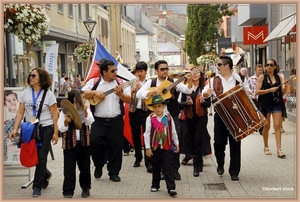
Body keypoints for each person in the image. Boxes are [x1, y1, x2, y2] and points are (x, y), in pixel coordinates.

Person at [136, 60, 193, 180]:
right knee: (159, 144)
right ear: (156, 71)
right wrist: (153, 91)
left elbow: (187, 90)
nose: (165, 71)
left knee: (175, 142)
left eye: (167, 68)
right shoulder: (151, 82)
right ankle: (162, 170)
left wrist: (189, 80)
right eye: (162, 69)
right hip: (157, 119)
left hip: (172, 117)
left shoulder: (173, 82)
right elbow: (138, 94)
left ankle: (175, 170)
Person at [9, 67, 59, 197]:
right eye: (30, 75)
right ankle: (46, 174)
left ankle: (37, 186)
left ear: (41, 78)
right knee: (35, 156)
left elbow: (55, 115)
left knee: (42, 157)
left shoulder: (48, 95)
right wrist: (15, 129)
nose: (31, 78)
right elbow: (20, 112)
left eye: (33, 76)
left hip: (46, 128)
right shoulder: (25, 93)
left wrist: (55, 132)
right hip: (31, 128)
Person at [82, 59, 131, 182]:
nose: (115, 72)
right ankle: (98, 165)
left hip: (116, 120)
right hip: (98, 120)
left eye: (116, 70)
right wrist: (94, 92)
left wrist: (120, 94)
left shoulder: (121, 82)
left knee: (116, 146)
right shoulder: (94, 82)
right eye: (112, 70)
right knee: (95, 143)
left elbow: (129, 99)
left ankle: (114, 172)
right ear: (104, 72)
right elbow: (82, 93)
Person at [202, 56, 250, 181]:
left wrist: (246, 92)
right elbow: (205, 92)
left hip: (235, 116)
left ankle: (234, 172)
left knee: (235, 143)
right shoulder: (213, 80)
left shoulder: (239, 79)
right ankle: (220, 164)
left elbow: (248, 92)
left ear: (226, 66)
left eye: (219, 64)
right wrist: (206, 94)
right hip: (220, 115)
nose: (217, 67)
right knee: (218, 143)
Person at [58, 89, 94, 198]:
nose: (84, 99)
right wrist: (66, 122)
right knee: (69, 168)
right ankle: (68, 191)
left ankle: (85, 188)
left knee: (85, 167)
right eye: (82, 97)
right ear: (74, 99)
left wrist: (86, 112)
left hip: (84, 143)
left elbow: (90, 122)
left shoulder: (85, 109)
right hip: (70, 144)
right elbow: (61, 128)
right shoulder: (64, 112)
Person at [143, 94, 179, 197]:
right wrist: (148, 148)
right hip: (155, 148)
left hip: (167, 147)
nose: (157, 109)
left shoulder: (168, 118)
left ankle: (171, 188)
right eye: (155, 107)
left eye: (159, 106)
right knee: (156, 166)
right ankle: (155, 184)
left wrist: (176, 143)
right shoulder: (150, 119)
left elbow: (173, 132)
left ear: (163, 106)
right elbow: (147, 133)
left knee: (168, 167)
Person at [181, 68, 212, 177]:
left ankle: (196, 166)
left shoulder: (204, 88)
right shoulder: (185, 87)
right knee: (192, 140)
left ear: (200, 75)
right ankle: (198, 161)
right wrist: (186, 103)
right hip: (189, 117)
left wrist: (204, 102)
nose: (194, 75)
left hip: (201, 117)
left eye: (197, 73)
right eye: (192, 73)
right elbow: (181, 103)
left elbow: (209, 104)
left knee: (198, 139)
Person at [256, 59, 287, 158]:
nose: (269, 66)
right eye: (267, 65)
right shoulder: (262, 77)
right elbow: (257, 92)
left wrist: (286, 86)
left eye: (271, 65)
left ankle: (279, 150)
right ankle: (266, 146)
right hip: (265, 104)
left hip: (276, 103)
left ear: (275, 67)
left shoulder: (279, 77)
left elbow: (282, 93)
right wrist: (270, 90)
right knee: (267, 126)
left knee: (277, 125)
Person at [128, 61, 151, 170]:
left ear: (146, 71)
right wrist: (132, 92)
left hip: (145, 111)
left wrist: (142, 88)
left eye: (141, 71)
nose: (139, 74)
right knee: (135, 135)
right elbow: (128, 98)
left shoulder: (150, 82)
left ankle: (149, 161)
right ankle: (138, 157)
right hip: (134, 111)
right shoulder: (132, 82)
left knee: (147, 135)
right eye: (138, 71)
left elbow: (150, 96)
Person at [247, 64, 264, 135]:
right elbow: (248, 89)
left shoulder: (265, 78)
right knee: (255, 115)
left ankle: (261, 129)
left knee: (262, 114)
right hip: (254, 99)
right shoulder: (251, 79)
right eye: (259, 70)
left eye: (261, 70)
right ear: (255, 70)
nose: (260, 71)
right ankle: (255, 126)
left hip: (262, 99)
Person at [4, 90, 20, 161]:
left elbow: (34, 120)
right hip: (9, 146)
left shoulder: (24, 113)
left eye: (14, 99)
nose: (12, 102)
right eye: (8, 101)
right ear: (4, 103)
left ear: (17, 100)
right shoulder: (4, 115)